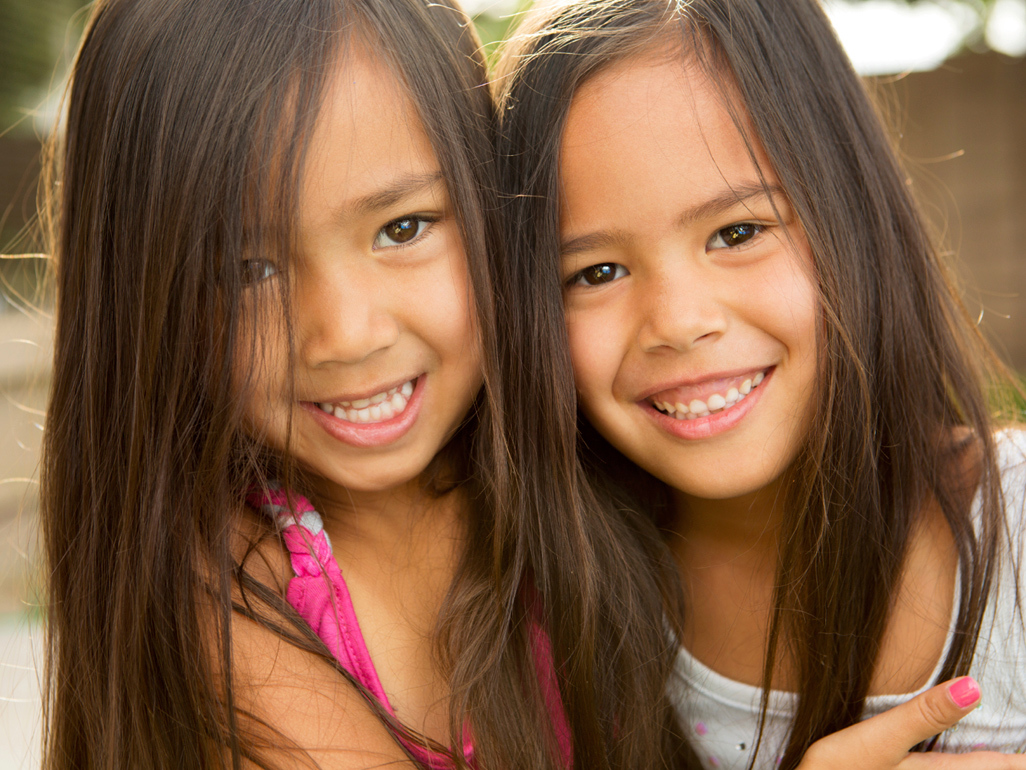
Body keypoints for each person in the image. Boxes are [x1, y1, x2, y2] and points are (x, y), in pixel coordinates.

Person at [38, 0, 693, 767]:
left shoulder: (592, 470)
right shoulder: (215, 582)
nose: (347, 334)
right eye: (245, 271)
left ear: (495, 198)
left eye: (403, 228)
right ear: (139, 301)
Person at [495, 0, 1026, 767]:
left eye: (737, 232)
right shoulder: (568, 608)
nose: (678, 321)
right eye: (596, 272)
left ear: (853, 211)